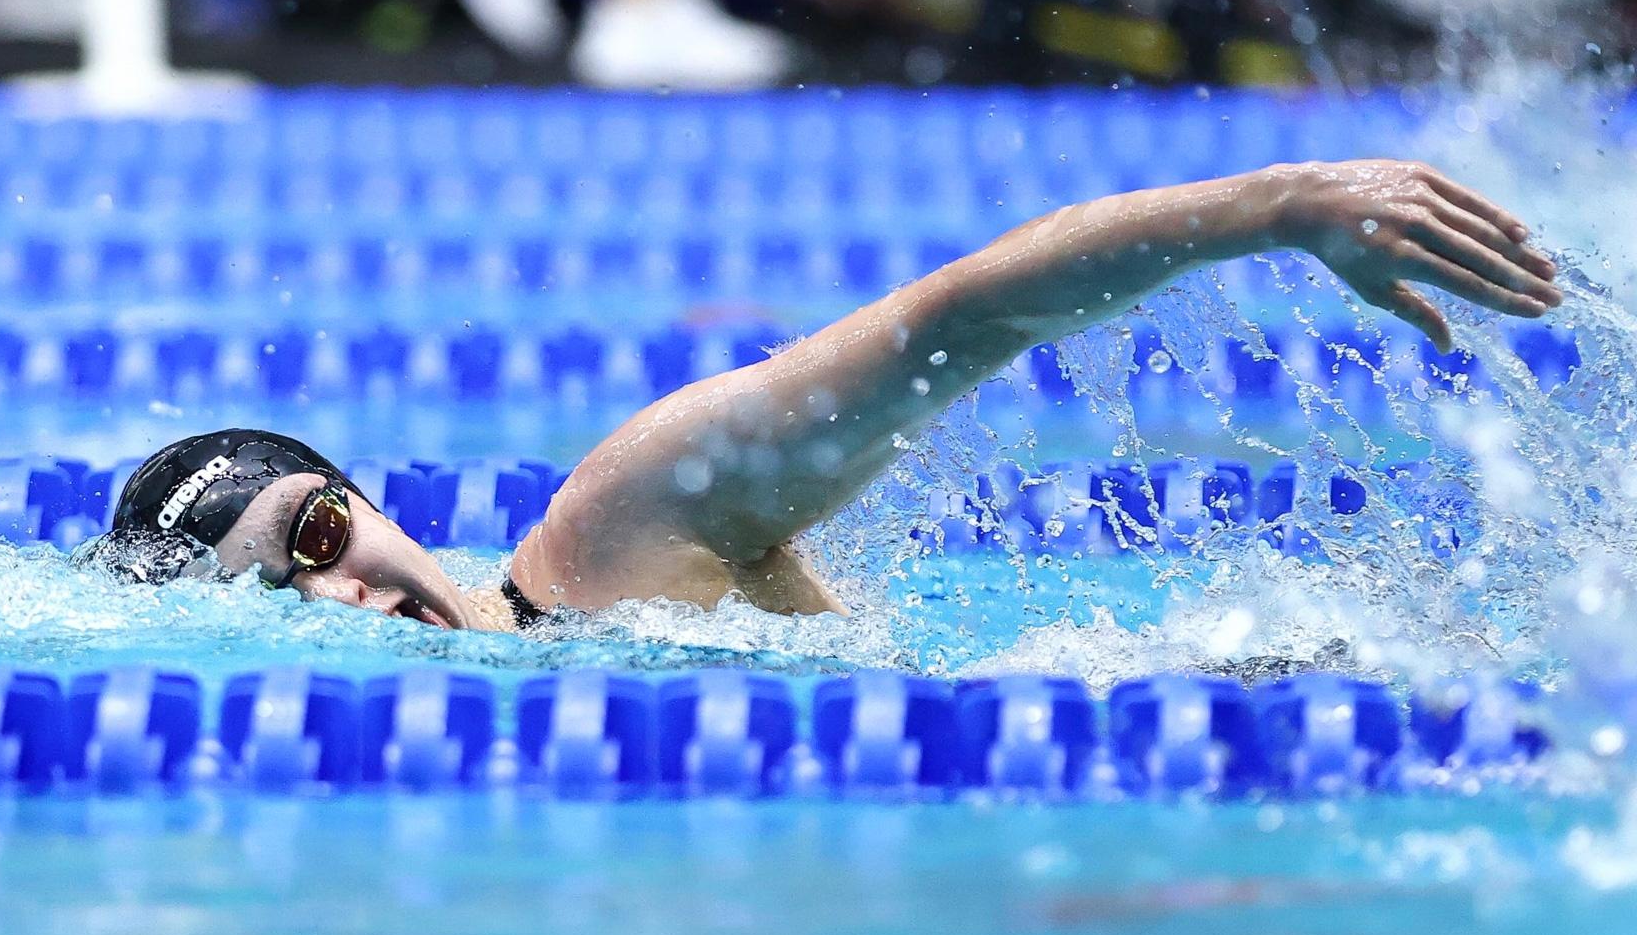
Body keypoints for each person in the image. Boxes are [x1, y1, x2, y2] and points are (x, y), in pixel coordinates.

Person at [89, 159, 1562, 632]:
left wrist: (1278, 204)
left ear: (365, 504)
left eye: (315, 537)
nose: (337, 593)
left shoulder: (614, 529)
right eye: (273, 593)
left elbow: (958, 314)